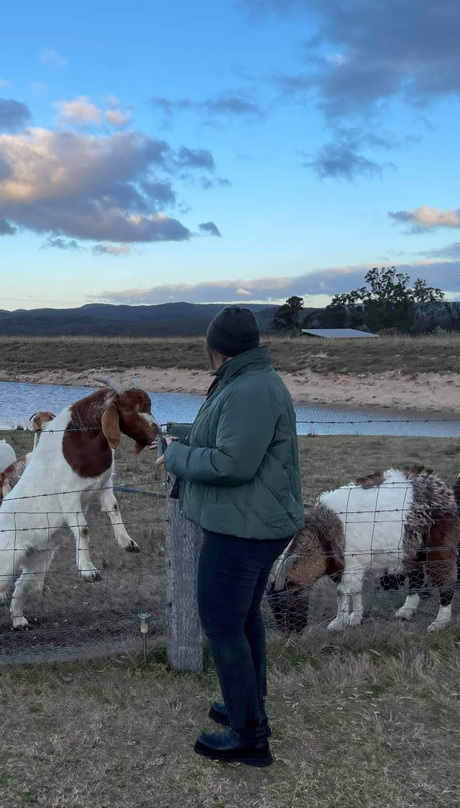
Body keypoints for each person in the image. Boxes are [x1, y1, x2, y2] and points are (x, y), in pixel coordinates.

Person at [157, 305, 304, 766]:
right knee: (242, 621)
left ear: (215, 347)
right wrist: (179, 437)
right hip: (252, 524)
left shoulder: (249, 389)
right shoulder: (249, 381)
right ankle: (248, 708)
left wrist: (176, 460)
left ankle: (249, 736)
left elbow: (232, 464)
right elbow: (223, 436)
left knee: (222, 624)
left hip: (243, 529)